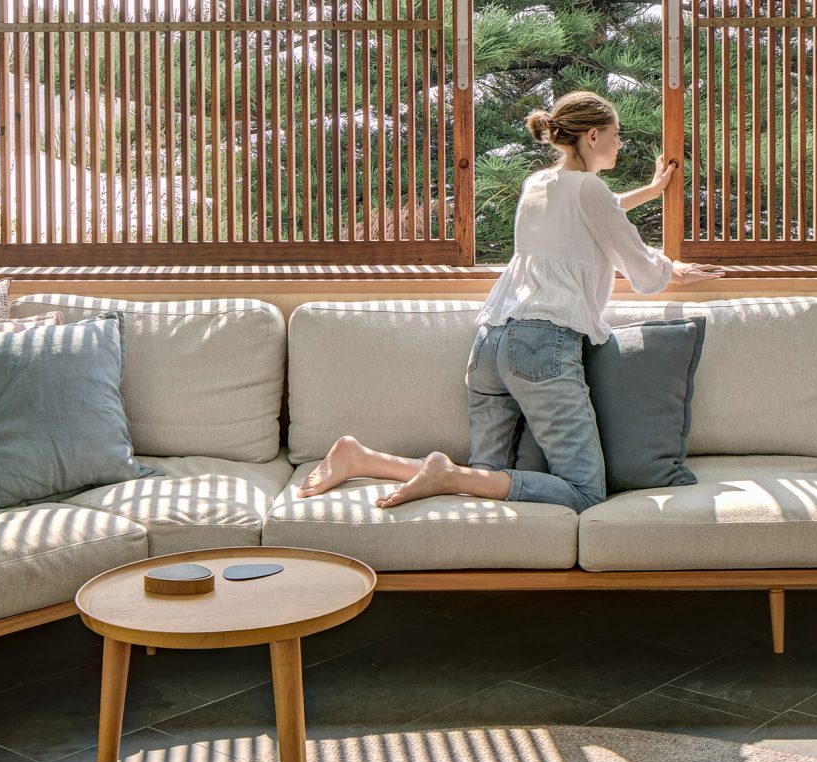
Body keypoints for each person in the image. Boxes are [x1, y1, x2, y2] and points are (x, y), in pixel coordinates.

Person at [297, 90, 721, 512]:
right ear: (592, 135)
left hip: (491, 341)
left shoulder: (537, 183)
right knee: (585, 491)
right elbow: (643, 272)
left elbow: (592, 211)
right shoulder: (588, 189)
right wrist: (674, 270)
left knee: (483, 478)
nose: (620, 142)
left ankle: (363, 458)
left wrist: (649, 192)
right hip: (542, 349)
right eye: (616, 134)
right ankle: (442, 472)